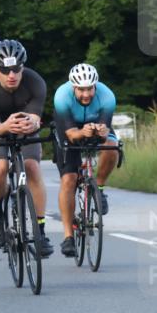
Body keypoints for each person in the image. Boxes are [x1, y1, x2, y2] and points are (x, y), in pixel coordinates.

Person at [0, 38, 54, 258]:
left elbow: (37, 117)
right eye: (5, 69)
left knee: (32, 168)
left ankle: (40, 231)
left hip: (24, 123)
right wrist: (4, 126)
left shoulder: (35, 81)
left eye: (17, 68)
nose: (12, 75)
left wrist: (34, 123)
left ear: (23, 66)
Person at [52, 63, 119, 258]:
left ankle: (99, 188)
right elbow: (72, 134)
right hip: (69, 129)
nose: (86, 94)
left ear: (95, 85)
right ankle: (68, 237)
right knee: (69, 180)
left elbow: (105, 131)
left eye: (90, 88)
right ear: (73, 87)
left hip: (96, 124)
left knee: (112, 147)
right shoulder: (62, 97)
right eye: (81, 89)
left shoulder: (107, 96)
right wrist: (83, 132)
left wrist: (100, 131)